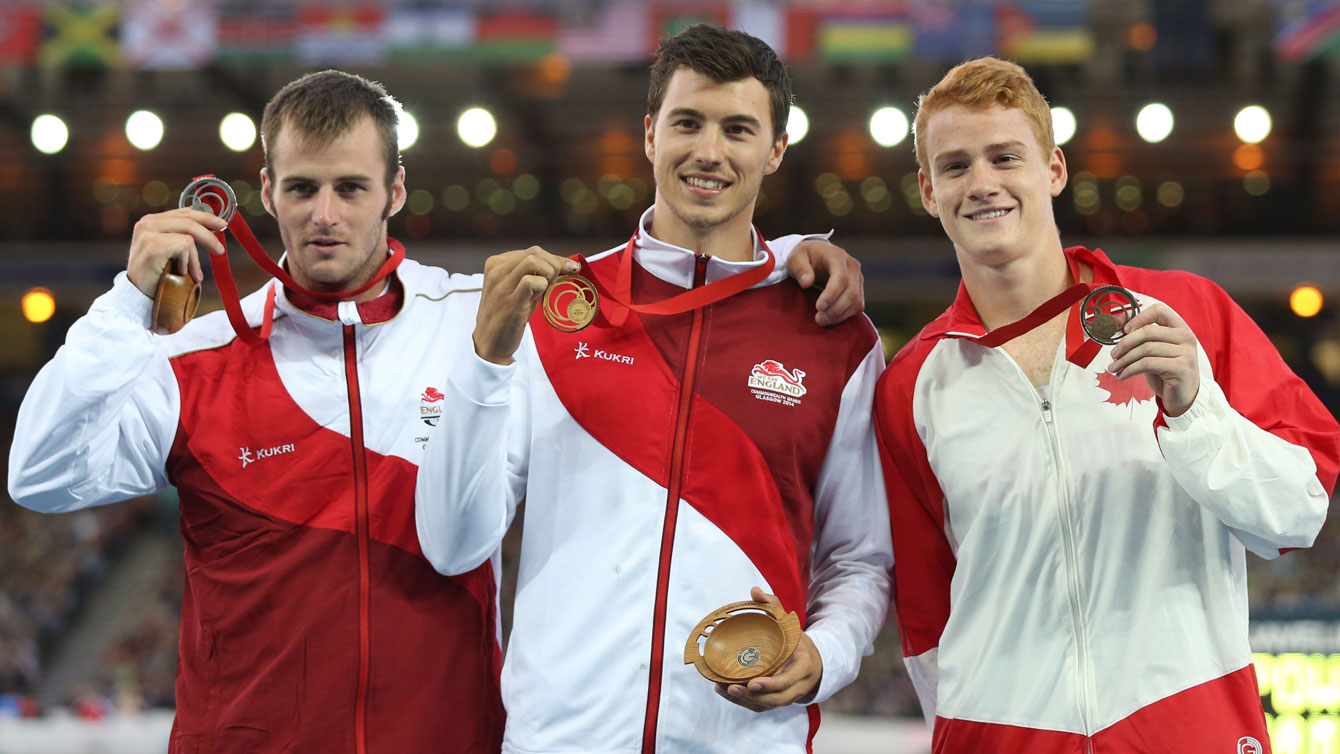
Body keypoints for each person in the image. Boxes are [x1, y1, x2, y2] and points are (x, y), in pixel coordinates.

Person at [5, 68, 862, 753]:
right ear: (265, 190)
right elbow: (38, 474)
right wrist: (124, 302)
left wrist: (790, 255)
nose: (326, 215)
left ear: (397, 190)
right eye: (302, 188)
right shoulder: (196, 358)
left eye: (351, 186)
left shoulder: (477, 319)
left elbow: (660, 282)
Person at [415, 24, 893, 752]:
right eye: (687, 122)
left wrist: (826, 655)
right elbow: (451, 545)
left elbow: (858, 557)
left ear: (774, 149)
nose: (709, 151)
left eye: (738, 129)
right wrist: (484, 360)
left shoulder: (835, 337)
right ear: (649, 133)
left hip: (746, 739)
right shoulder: (552, 312)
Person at [874, 56, 1340, 752]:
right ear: (927, 190)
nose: (983, 184)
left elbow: (1297, 513)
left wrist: (1193, 411)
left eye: (1006, 157)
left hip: (1187, 727)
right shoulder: (912, 386)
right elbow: (926, 619)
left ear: (1054, 169)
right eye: (956, 166)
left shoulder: (1185, 312)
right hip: (1006, 737)